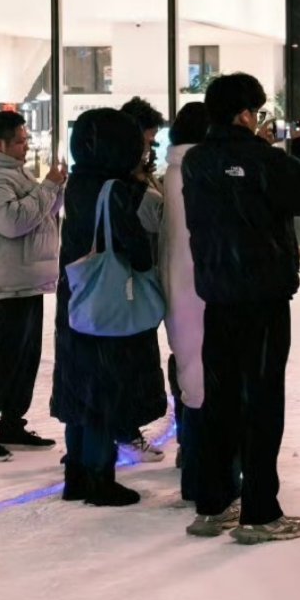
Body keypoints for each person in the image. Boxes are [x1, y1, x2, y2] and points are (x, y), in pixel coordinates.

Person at [182, 74, 300, 543]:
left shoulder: (197, 161)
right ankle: (260, 511)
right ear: (245, 115)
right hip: (262, 298)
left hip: (217, 296)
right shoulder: (263, 160)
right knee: (262, 403)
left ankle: (213, 504)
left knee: (220, 402)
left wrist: (256, 155)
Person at [51, 109, 167, 507]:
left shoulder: (79, 182)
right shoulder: (114, 189)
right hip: (109, 301)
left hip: (77, 296)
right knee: (104, 390)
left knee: (79, 389)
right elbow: (135, 250)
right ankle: (101, 478)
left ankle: (76, 476)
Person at [0, 111, 66, 461]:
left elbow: (40, 212)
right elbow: (13, 222)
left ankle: (11, 425)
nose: (26, 146)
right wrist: (48, 187)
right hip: (9, 282)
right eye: (21, 141)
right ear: (1, 144)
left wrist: (55, 189)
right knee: (4, 358)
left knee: (25, 359)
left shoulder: (15, 172)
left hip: (29, 279)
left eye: (26, 139)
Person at [158, 101, 225, 503]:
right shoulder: (199, 172)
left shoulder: (173, 170)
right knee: (204, 385)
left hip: (180, 288)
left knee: (191, 379)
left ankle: (195, 470)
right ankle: (205, 481)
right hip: (200, 288)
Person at [117, 96, 167, 462]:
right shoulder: (123, 181)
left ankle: (126, 427)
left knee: (136, 355)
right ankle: (125, 429)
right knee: (129, 356)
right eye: (149, 139)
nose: (152, 146)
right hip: (128, 281)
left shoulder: (136, 174)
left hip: (135, 280)